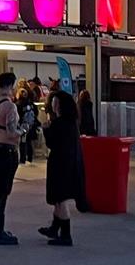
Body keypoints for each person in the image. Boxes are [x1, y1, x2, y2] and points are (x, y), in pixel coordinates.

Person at [39, 91, 85, 246]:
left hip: (61, 164)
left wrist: (46, 129)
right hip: (69, 163)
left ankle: (66, 234)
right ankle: (54, 227)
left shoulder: (60, 123)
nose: (52, 104)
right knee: (59, 199)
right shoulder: (71, 122)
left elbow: (52, 143)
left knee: (61, 198)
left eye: (55, 102)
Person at [0, 72, 23, 245]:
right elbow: (11, 132)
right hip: (7, 151)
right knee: (3, 191)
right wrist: (22, 131)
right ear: (11, 85)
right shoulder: (10, 107)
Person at [16, 88, 38, 165]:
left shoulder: (18, 104)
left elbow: (17, 115)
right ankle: (30, 157)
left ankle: (22, 158)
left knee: (23, 142)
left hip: (23, 126)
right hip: (31, 125)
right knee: (29, 142)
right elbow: (36, 113)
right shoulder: (31, 103)